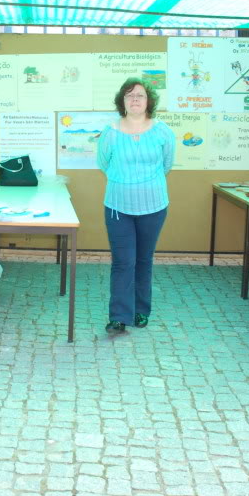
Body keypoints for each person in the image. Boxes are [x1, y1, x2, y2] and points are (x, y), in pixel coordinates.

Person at [96, 77, 175, 336]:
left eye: (140, 95)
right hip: (118, 206)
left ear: (149, 100)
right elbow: (103, 164)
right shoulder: (110, 133)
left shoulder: (163, 132)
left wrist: (142, 183)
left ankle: (141, 310)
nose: (135, 100)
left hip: (154, 206)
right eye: (129, 95)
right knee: (123, 262)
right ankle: (119, 316)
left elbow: (166, 165)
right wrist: (126, 182)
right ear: (122, 101)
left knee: (143, 260)